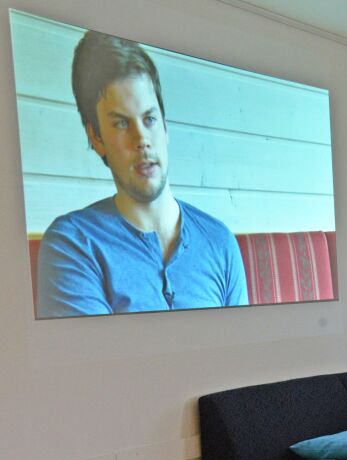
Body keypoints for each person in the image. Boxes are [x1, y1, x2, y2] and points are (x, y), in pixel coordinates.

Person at [36, 30, 247, 318]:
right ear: (96, 138)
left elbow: (242, 356)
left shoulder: (220, 242)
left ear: (165, 127)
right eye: (121, 124)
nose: (141, 139)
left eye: (149, 119)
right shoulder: (73, 244)